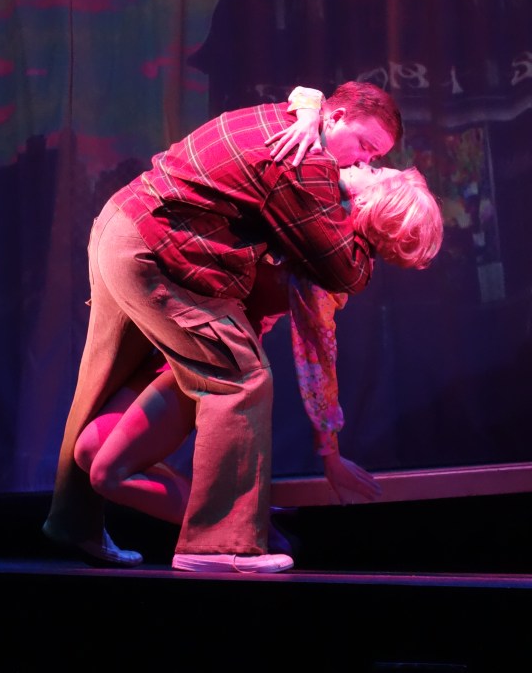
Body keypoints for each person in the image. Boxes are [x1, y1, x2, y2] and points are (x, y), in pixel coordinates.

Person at [42, 81, 403, 574]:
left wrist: (310, 106)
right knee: (241, 379)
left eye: (375, 159)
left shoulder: (290, 118)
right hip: (157, 252)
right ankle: (218, 545)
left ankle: (72, 521)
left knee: (99, 379)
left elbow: (307, 94)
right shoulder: (306, 164)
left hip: (119, 227)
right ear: (335, 119)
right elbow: (346, 273)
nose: (362, 162)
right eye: (365, 146)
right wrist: (371, 230)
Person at [69, 162, 443, 562]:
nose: (363, 164)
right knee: (88, 450)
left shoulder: (331, 265)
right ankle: (245, 516)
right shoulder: (312, 204)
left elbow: (318, 355)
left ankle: (245, 526)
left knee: (108, 473)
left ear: (377, 204)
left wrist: (330, 452)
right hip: (174, 330)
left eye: (378, 171)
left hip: (212, 354)